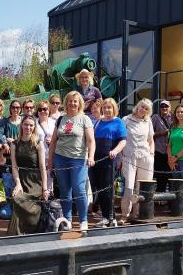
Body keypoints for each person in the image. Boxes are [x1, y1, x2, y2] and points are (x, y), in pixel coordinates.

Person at [47, 91, 95, 232]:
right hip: (60, 158)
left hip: (78, 159)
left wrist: (91, 156)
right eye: (70, 101)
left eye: (75, 101)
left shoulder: (84, 119)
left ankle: (83, 220)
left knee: (79, 189)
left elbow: (91, 140)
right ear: (66, 102)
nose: (72, 103)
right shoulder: (61, 119)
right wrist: (50, 160)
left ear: (79, 103)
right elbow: (54, 141)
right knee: (64, 191)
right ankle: (67, 220)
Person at [7, 116, 49, 235]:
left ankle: (32, 227)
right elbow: (14, 166)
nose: (28, 127)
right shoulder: (15, 144)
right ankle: (17, 232)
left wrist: (45, 188)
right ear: (21, 125)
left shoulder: (38, 143)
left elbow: (42, 167)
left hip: (36, 180)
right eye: (26, 124)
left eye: (31, 125)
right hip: (21, 179)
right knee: (17, 198)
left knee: (30, 201)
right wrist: (18, 184)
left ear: (34, 127)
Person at [90, 98, 127, 227]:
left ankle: (111, 218)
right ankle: (105, 216)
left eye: (109, 107)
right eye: (105, 107)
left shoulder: (118, 122)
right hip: (97, 160)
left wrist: (115, 151)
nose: (106, 110)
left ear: (114, 109)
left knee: (108, 189)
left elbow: (123, 141)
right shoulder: (98, 122)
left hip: (109, 161)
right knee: (99, 189)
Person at [121, 99, 155, 222]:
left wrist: (151, 155)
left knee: (142, 187)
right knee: (129, 186)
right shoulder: (126, 119)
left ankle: (138, 213)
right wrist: (120, 157)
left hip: (145, 156)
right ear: (137, 106)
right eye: (142, 107)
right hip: (129, 155)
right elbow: (121, 138)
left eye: (146, 109)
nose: (143, 110)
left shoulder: (148, 121)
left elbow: (151, 140)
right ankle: (125, 214)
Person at [151, 100, 172, 193]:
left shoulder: (173, 118)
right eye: (162, 106)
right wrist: (163, 133)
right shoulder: (155, 117)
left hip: (171, 150)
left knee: (170, 175)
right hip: (159, 150)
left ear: (170, 108)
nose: (164, 108)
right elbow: (150, 133)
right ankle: (160, 197)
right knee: (159, 175)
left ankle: (170, 199)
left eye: (166, 106)